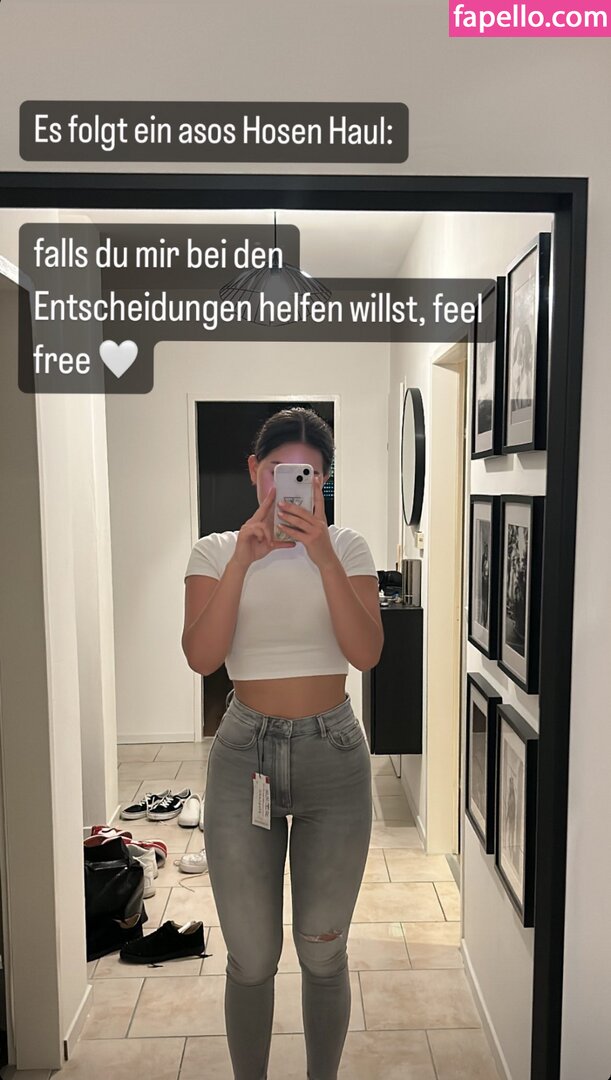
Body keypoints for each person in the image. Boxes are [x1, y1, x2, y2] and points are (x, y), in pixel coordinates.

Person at [181, 407, 383, 1080]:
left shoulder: (348, 548)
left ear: (324, 482)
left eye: (308, 475)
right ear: (254, 471)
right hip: (245, 755)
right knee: (250, 957)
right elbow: (202, 657)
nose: (290, 487)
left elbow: (365, 653)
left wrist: (323, 558)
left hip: (334, 756)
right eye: (277, 471)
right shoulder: (214, 551)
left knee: (323, 952)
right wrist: (243, 562)